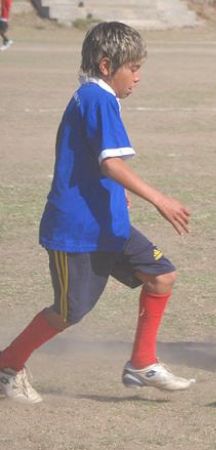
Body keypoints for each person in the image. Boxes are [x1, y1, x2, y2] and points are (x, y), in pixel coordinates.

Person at [0, 22, 195, 404]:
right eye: (133, 68)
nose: (138, 78)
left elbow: (94, 161)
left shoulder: (99, 98)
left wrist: (117, 195)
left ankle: (142, 362)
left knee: (161, 275)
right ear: (107, 65)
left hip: (108, 223)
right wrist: (161, 199)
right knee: (68, 312)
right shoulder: (97, 98)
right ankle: (8, 364)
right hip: (76, 231)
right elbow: (110, 164)